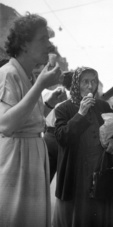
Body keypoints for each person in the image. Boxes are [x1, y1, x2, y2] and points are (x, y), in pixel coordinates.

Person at [0, 13, 62, 227]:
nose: (49, 45)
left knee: (30, 217)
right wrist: (39, 88)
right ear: (25, 44)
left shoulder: (28, 76)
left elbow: (28, 122)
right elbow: (6, 125)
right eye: (43, 39)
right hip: (16, 157)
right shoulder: (8, 74)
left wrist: (48, 104)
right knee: (17, 216)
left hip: (31, 153)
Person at [53, 67, 113, 227]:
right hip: (76, 171)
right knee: (80, 216)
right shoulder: (64, 108)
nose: (90, 86)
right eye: (85, 82)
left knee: (101, 214)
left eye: (93, 82)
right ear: (76, 84)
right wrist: (81, 113)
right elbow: (62, 138)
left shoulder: (103, 106)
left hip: (101, 168)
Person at [43, 71, 72, 182]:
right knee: (64, 181)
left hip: (48, 136)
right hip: (64, 137)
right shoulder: (71, 96)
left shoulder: (44, 93)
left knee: (45, 176)